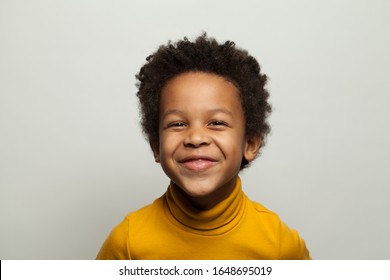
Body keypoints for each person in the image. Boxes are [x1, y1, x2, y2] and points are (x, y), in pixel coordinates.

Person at [96, 34, 311, 260]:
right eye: (178, 124)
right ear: (156, 147)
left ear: (250, 143)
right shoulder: (128, 243)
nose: (196, 138)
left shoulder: (280, 246)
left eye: (217, 123)